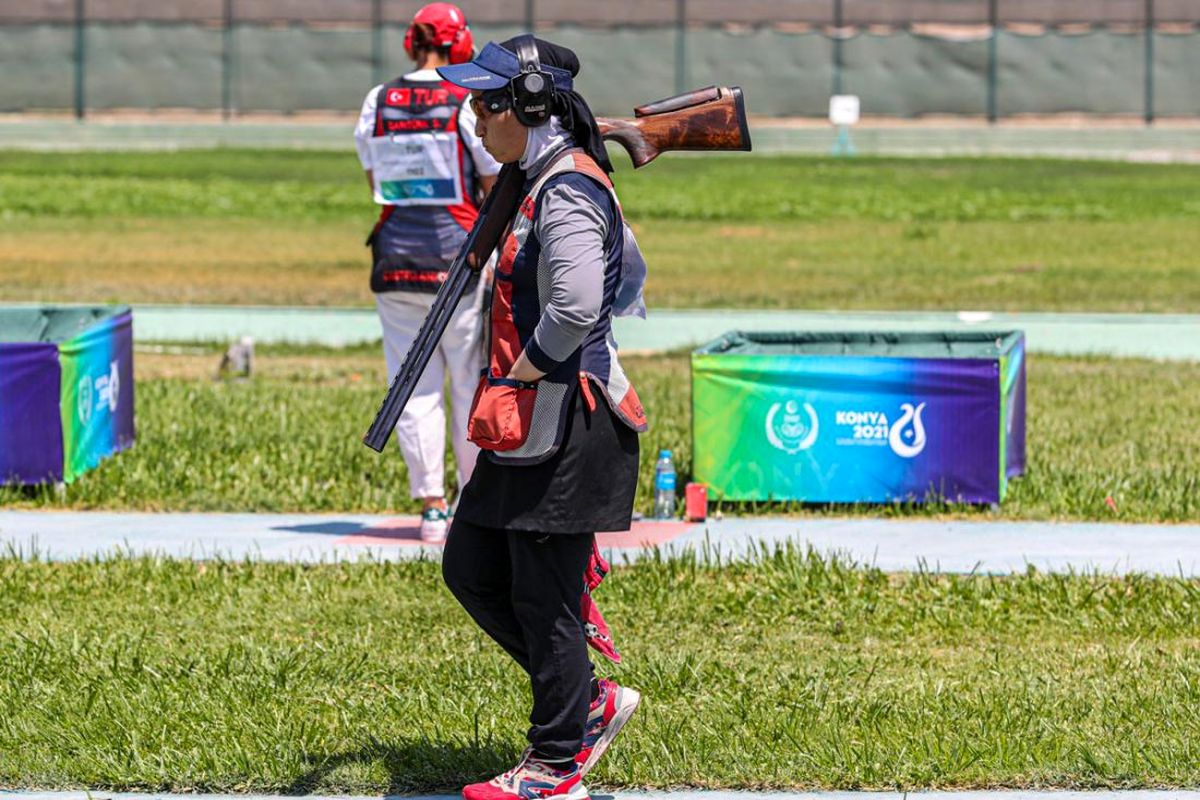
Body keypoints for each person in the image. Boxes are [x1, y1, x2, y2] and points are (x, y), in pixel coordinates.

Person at [436, 36, 646, 800]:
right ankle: (586, 700)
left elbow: (579, 304)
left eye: (487, 102)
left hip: (565, 423)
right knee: (471, 566)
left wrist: (517, 374)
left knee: (542, 596)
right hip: (531, 423)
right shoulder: (537, 179)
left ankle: (555, 765)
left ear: (528, 107)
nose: (473, 115)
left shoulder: (564, 190)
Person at [353, 3, 501, 543]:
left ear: (410, 43)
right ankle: (473, 499)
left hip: (394, 260)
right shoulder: (464, 100)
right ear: (458, 44)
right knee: (467, 382)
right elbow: (492, 181)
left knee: (411, 385)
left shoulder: (379, 99)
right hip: (457, 263)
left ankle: (432, 508)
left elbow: (373, 172)